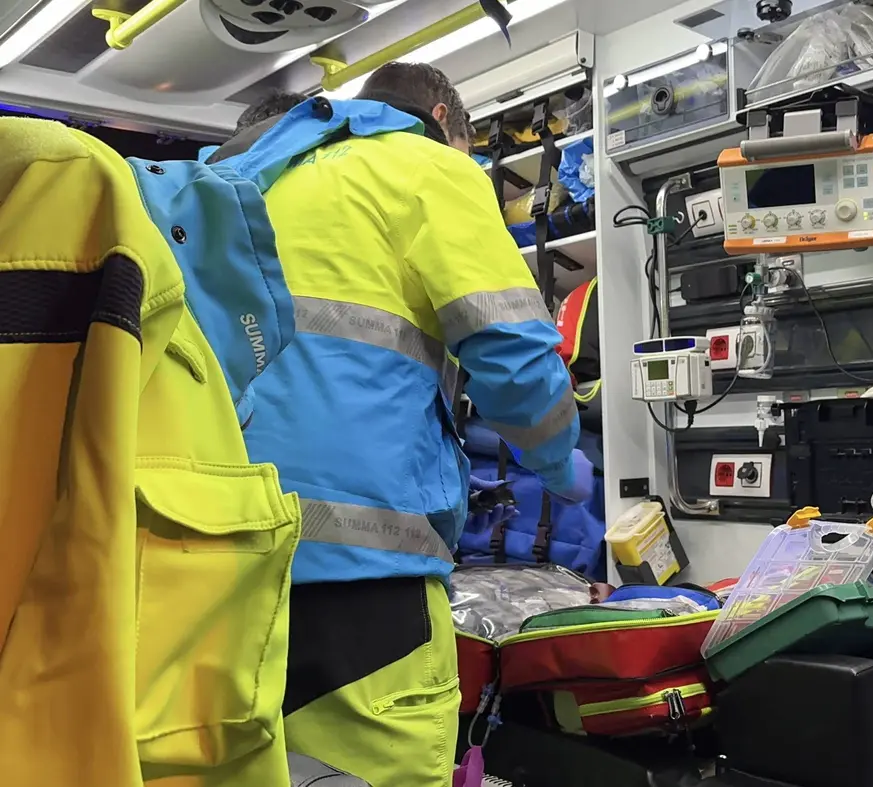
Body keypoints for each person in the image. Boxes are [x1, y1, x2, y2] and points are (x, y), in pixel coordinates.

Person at [204, 62, 593, 787]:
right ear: (445, 121)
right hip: (362, 575)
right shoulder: (424, 165)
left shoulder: (233, 181)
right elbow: (514, 360)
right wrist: (557, 458)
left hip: (211, 570)